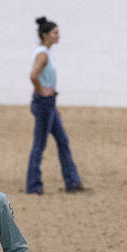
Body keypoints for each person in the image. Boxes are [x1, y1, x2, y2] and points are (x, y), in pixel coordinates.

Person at [25, 16, 86, 194]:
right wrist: (41, 91)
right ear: (46, 35)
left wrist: (52, 103)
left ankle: (72, 181)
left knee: (62, 141)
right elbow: (33, 75)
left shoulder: (46, 53)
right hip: (43, 103)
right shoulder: (43, 54)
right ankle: (33, 185)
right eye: (55, 33)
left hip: (49, 105)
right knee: (39, 145)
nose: (58, 36)